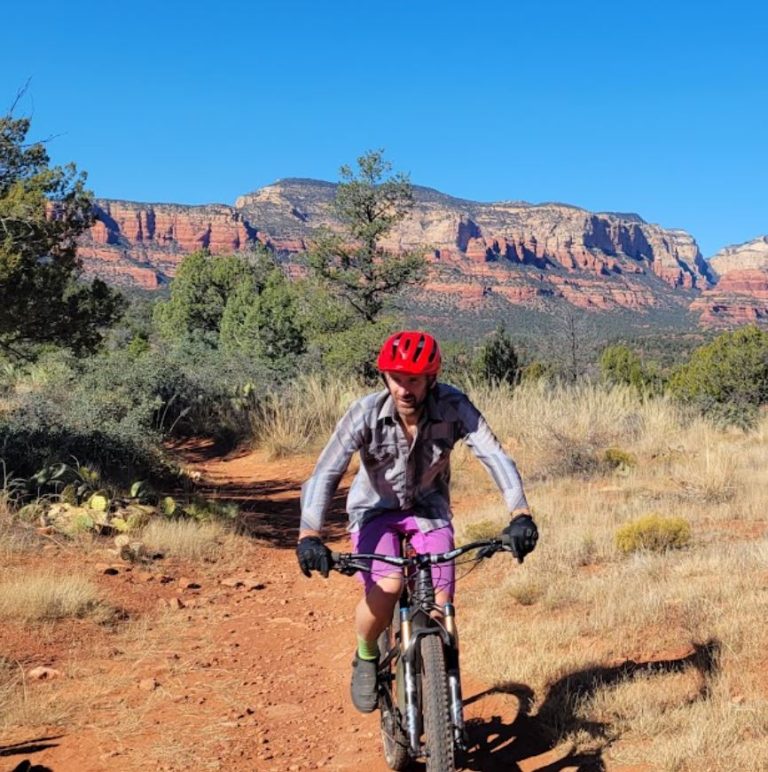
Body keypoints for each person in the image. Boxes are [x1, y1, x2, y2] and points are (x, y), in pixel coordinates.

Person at [296, 330, 538, 713]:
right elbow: (326, 471)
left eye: (413, 380)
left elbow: (493, 454)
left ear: (431, 379)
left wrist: (520, 513)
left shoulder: (454, 406)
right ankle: (366, 655)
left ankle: (441, 702)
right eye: (396, 378)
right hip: (375, 512)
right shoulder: (365, 413)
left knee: (441, 606)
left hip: (429, 510)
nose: (403, 389)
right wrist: (309, 533)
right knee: (390, 584)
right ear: (384, 377)